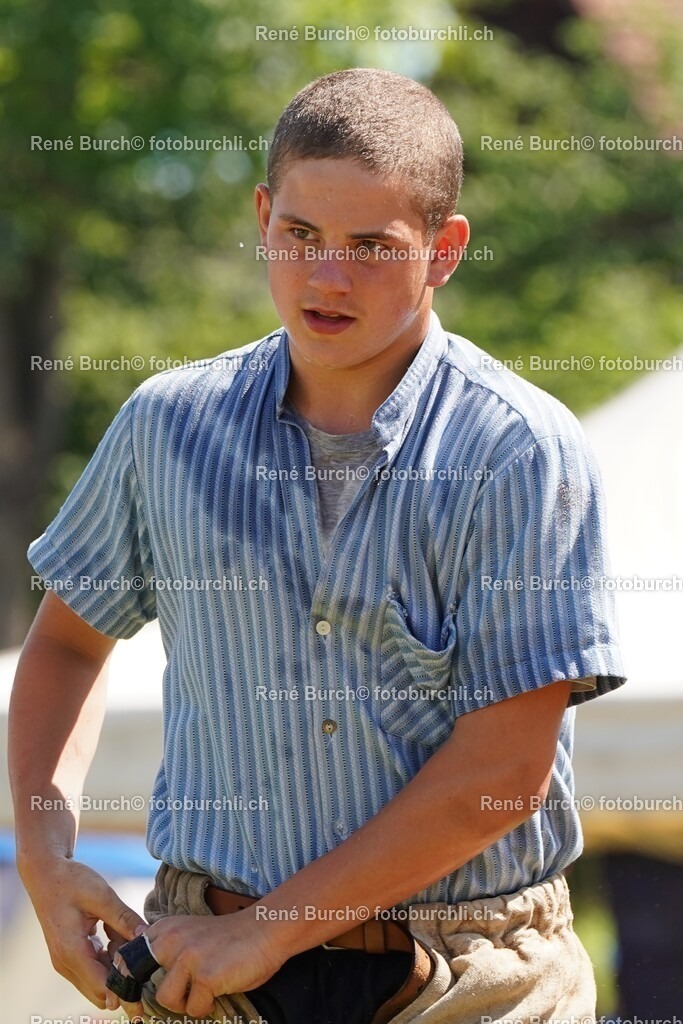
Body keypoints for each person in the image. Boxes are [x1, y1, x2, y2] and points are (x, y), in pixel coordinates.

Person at [9, 68, 625, 1024]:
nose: (326, 277)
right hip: (206, 971)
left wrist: (277, 927)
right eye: (299, 235)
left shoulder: (516, 451)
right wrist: (46, 868)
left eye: (373, 247)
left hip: (476, 980)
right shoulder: (164, 427)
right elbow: (64, 645)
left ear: (445, 251)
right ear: (262, 215)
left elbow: (503, 776)